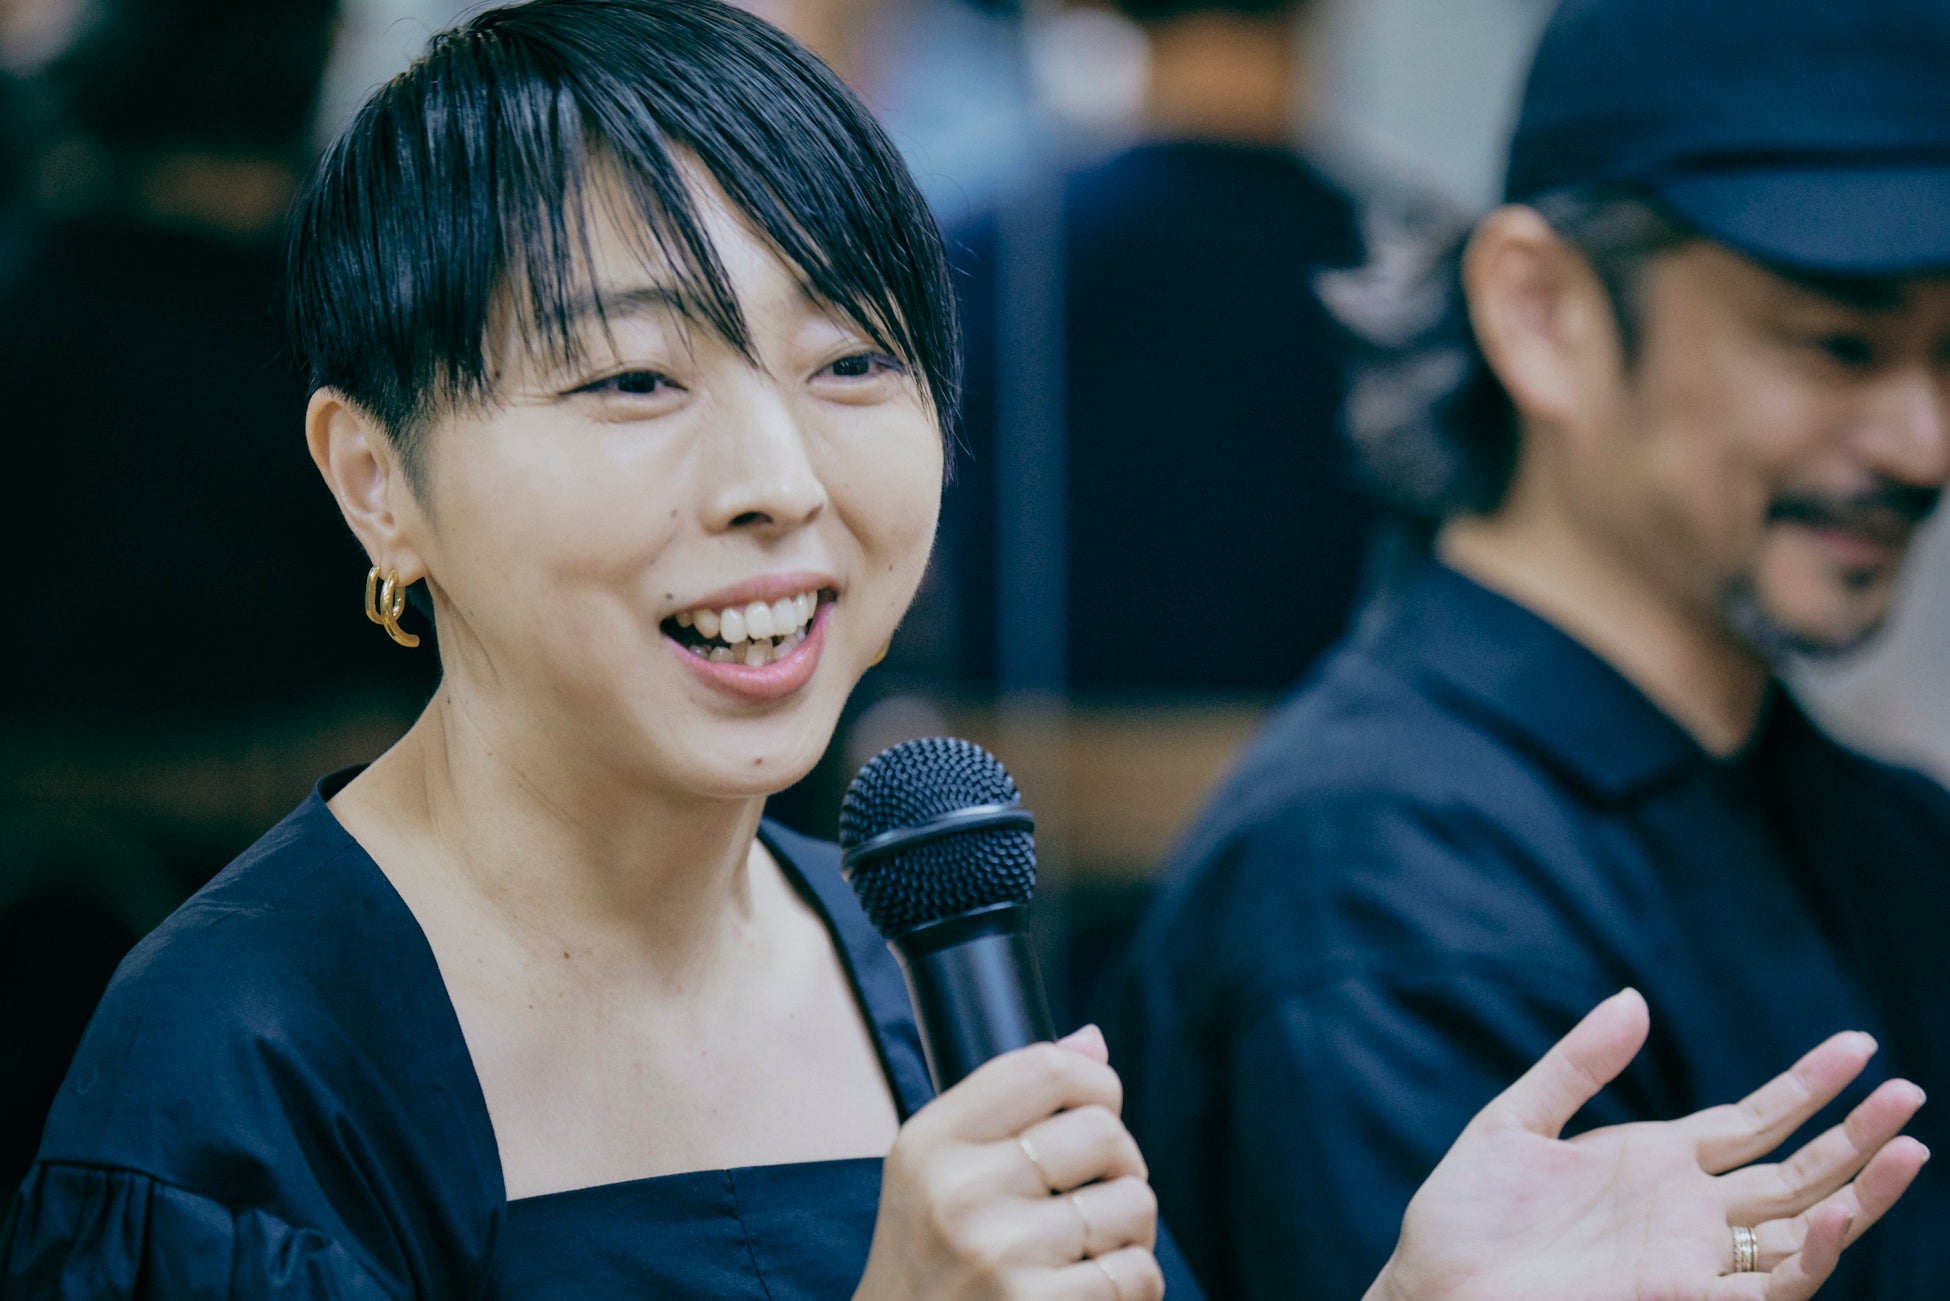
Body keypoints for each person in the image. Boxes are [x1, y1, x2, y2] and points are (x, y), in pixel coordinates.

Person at [0, 0, 1924, 1296]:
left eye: (851, 361)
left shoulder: (914, 951)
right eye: (632, 377)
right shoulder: (230, 1084)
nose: (778, 480)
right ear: (377, 482)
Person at [1108, 0, 1950, 1297]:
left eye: (1948, 355)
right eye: (1836, 343)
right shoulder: (1383, 899)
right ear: (1543, 309)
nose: (1920, 443)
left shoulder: (1884, 834)